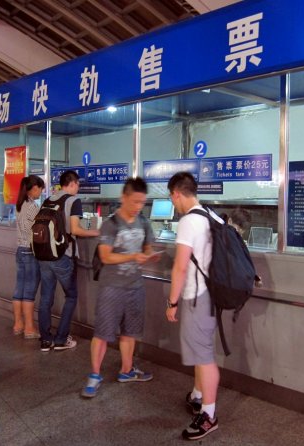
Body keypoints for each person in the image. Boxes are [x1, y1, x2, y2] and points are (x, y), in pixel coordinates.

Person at [81, 177, 160, 398]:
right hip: (112, 287)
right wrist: (134, 256)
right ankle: (94, 375)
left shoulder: (144, 223)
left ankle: (126, 370)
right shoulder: (111, 224)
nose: (138, 207)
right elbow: (105, 256)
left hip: (135, 286)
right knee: (103, 333)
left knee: (130, 331)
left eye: (142, 202)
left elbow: (147, 247)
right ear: (123, 197)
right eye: (134, 201)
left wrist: (148, 255)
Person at [165, 172, 222, 441]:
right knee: (201, 351)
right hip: (210, 297)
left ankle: (209, 416)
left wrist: (172, 301)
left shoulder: (188, 221)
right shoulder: (211, 215)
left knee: (204, 357)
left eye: (171, 198)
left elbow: (180, 266)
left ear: (176, 193)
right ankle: (198, 396)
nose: (173, 204)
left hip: (196, 297)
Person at [38, 170, 99, 352]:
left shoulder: (48, 200)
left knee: (46, 298)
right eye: (78, 184)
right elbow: (75, 229)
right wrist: (97, 232)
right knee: (71, 296)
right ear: (72, 184)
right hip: (63, 255)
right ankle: (61, 339)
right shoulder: (74, 201)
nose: (78, 188)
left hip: (44, 255)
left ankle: (46, 340)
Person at [12, 175, 45, 339]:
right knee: (29, 291)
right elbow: (39, 230)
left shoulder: (19, 204)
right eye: (40, 188)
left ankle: (18, 324)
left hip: (20, 250)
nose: (41, 192)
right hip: (30, 251)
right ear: (33, 188)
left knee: (19, 289)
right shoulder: (33, 207)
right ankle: (30, 328)